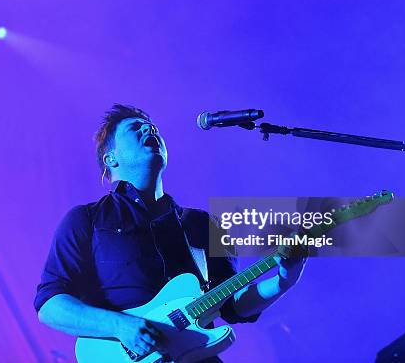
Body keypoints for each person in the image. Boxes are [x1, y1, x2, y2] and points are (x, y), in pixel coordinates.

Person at [34, 104, 306, 362]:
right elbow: (50, 305)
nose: (149, 129)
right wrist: (121, 326)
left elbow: (233, 305)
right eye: (135, 128)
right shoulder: (86, 220)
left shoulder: (201, 224)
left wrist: (285, 280)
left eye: (152, 126)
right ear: (111, 158)